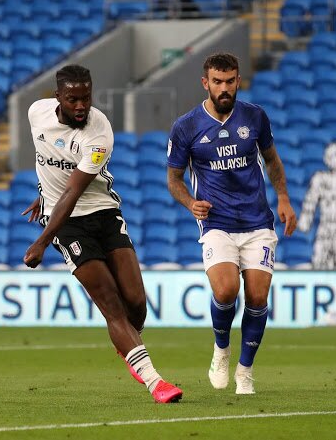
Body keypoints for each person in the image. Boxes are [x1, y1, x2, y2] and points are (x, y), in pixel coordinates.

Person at [22, 64, 182, 404]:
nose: (82, 106)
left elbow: (73, 191)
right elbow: (48, 162)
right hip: (66, 224)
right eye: (73, 99)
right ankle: (156, 383)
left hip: (104, 213)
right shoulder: (36, 113)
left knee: (136, 303)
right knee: (110, 302)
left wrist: (40, 240)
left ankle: (128, 344)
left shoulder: (99, 131)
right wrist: (43, 199)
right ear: (58, 98)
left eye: (86, 98)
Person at [166, 52, 297, 395]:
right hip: (216, 222)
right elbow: (174, 179)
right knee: (225, 290)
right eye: (217, 82)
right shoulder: (187, 126)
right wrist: (190, 202)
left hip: (257, 220)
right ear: (205, 83)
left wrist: (283, 198)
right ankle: (221, 351)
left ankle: (245, 371)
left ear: (238, 81)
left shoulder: (254, 116)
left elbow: (272, 160)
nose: (224, 88)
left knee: (257, 297)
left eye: (230, 81)